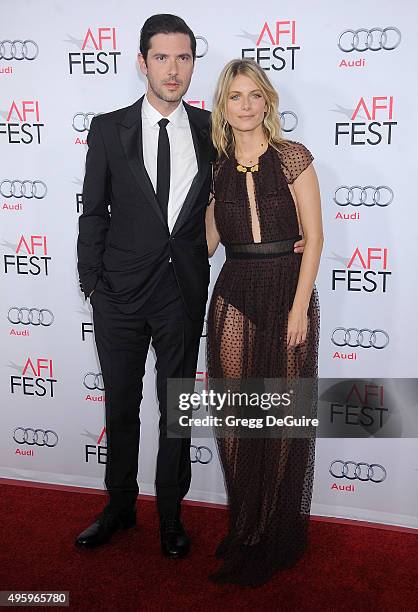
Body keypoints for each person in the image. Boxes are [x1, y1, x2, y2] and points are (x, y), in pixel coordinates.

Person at [75, 14, 214, 558]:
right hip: (119, 294)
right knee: (120, 406)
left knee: (175, 407)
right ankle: (119, 506)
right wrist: (93, 284)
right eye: (162, 57)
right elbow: (93, 211)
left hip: (180, 289)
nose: (173, 69)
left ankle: (171, 517)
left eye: (183, 57)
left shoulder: (210, 129)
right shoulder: (109, 128)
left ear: (192, 63)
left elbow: (234, 195)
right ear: (142, 62)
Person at [205, 59, 323, 586]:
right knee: (235, 420)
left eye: (254, 94)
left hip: (286, 293)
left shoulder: (292, 156)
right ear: (223, 106)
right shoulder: (217, 165)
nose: (246, 105)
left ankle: (272, 532)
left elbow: (315, 238)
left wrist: (299, 308)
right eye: (235, 96)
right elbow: (206, 244)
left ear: (268, 101)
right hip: (233, 293)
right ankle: (246, 526)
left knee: (279, 421)